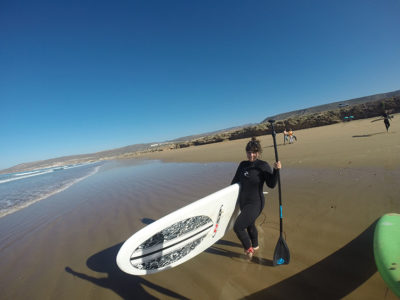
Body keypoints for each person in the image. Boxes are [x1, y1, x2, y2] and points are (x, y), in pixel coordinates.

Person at [231, 137, 281, 259]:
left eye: (254, 152)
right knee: (249, 224)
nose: (251, 155)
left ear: (258, 153)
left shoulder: (262, 166)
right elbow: (234, 182)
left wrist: (276, 171)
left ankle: (248, 248)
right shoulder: (243, 165)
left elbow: (271, 184)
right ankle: (255, 245)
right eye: (249, 152)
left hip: (255, 203)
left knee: (238, 227)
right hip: (243, 202)